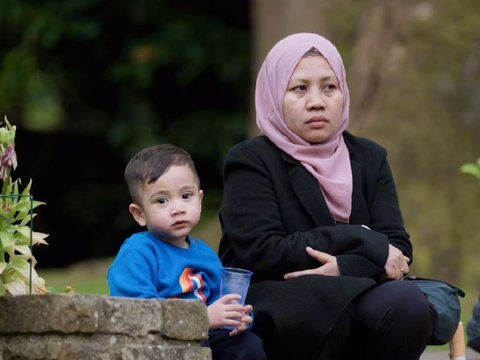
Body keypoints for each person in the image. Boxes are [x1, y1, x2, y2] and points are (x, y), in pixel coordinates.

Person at [218, 33, 437, 360]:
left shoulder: (369, 157)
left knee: (407, 304)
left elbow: (398, 250)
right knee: (319, 304)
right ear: (275, 95)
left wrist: (343, 267)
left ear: (343, 93)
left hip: (356, 287)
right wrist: (361, 239)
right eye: (299, 89)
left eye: (329, 87)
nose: (317, 101)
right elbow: (263, 251)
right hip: (281, 297)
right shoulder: (251, 160)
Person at [107, 144, 266, 360]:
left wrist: (239, 317)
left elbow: (221, 302)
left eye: (186, 196)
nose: (178, 208)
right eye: (162, 201)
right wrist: (202, 318)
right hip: (158, 343)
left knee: (248, 346)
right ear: (139, 214)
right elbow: (137, 312)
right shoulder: (138, 252)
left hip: (204, 337)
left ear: (200, 200)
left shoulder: (206, 254)